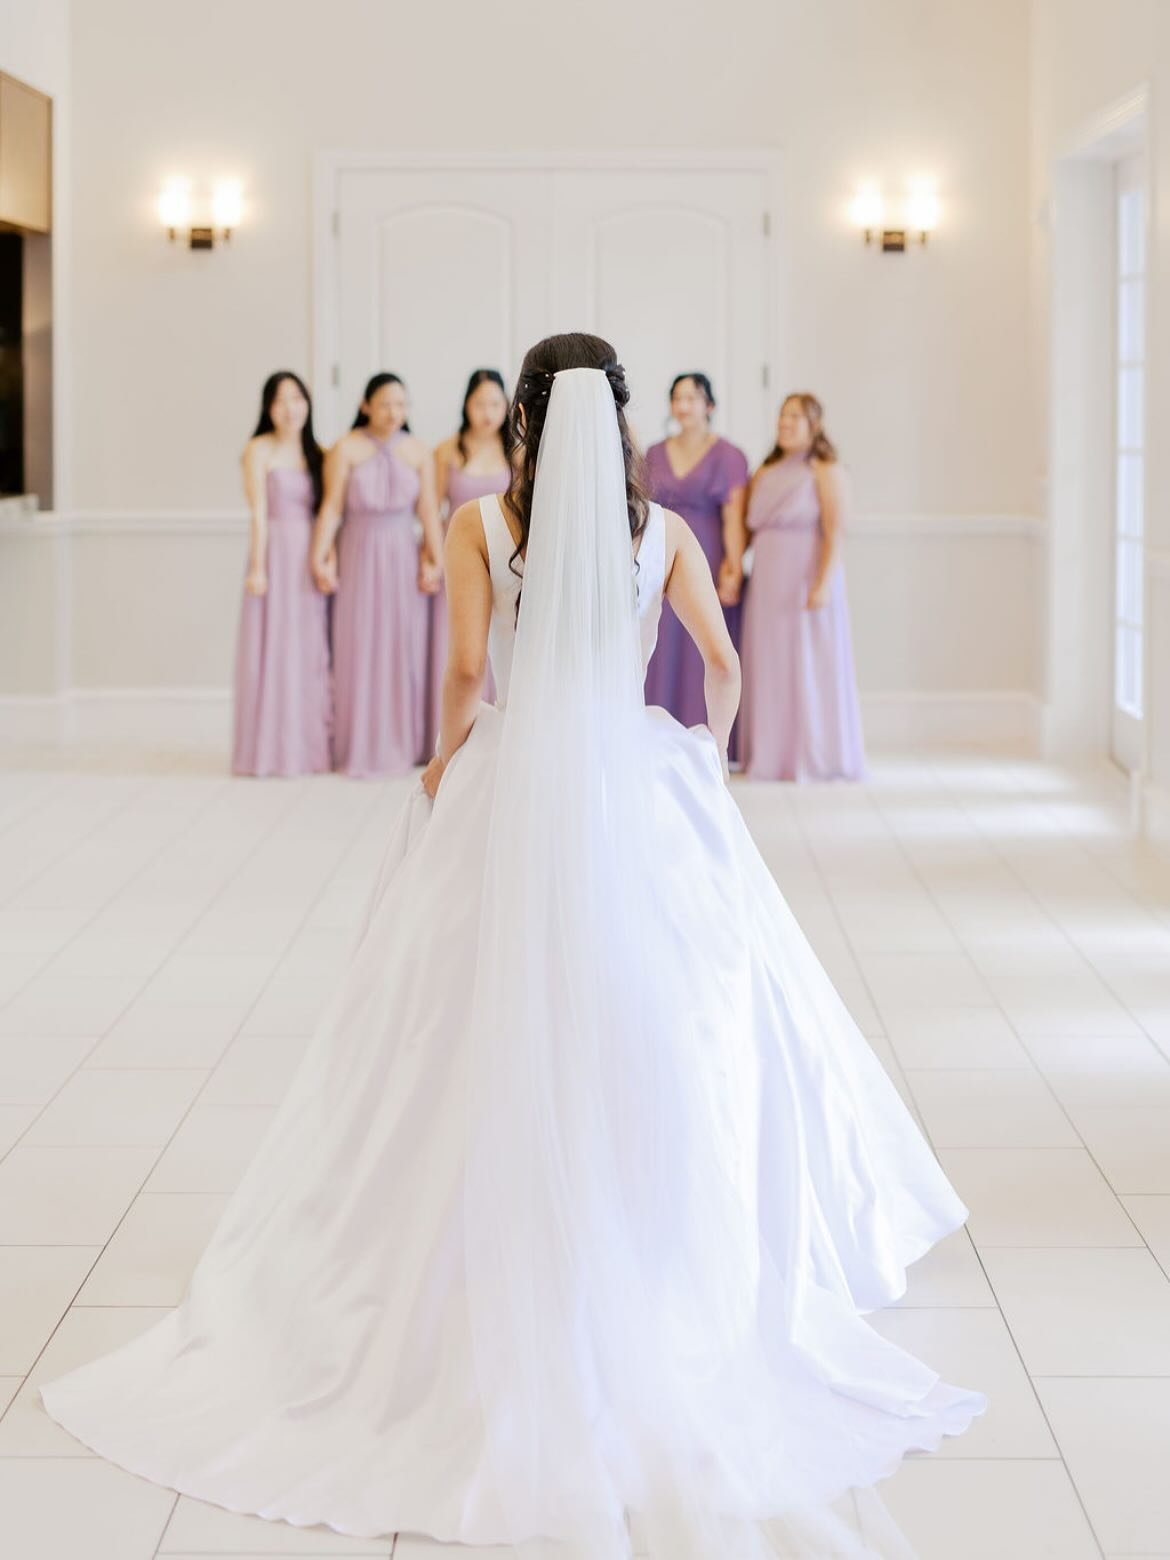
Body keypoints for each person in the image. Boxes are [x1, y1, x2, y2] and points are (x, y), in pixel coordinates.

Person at [40, 334, 982, 1560]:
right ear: (626, 421)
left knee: (446, 1019)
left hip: (515, 778)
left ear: (528, 420)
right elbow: (725, 665)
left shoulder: (484, 524)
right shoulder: (671, 538)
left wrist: (443, 766)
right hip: (639, 787)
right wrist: (704, 754)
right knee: (678, 1016)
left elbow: (474, 671)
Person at [311, 372, 443, 777]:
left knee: (403, 645)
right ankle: (358, 746)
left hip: (401, 554)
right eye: (385, 403)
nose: (393, 412)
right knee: (357, 645)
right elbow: (332, 507)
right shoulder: (345, 449)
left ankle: (404, 743)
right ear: (366, 404)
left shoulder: (419, 452)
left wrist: (434, 559)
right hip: (358, 553)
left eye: (401, 404)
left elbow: (428, 514)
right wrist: (320, 555)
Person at [739, 393, 867, 781]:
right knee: (770, 663)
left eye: (795, 416)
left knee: (809, 663)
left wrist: (823, 583)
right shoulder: (764, 472)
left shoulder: (825, 471)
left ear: (814, 424)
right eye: (782, 415)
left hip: (806, 578)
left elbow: (835, 532)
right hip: (767, 582)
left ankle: (815, 754)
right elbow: (746, 529)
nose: (785, 423)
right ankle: (771, 754)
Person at [231, 371, 331, 777]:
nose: (290, 408)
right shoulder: (258, 449)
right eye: (280, 400)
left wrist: (327, 560)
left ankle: (306, 748)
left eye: (297, 398)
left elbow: (328, 514)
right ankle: (270, 750)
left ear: (307, 404)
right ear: (268, 408)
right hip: (274, 553)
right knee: (272, 648)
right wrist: (258, 567)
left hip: (309, 554)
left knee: (308, 650)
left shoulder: (318, 453)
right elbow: (257, 512)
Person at [642, 374, 750, 750]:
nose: (684, 405)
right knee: (662, 640)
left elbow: (734, 517)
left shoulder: (730, 456)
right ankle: (661, 733)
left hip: (707, 551)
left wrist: (733, 565)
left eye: (692, 397)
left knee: (708, 644)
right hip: (661, 555)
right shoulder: (653, 454)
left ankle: (713, 739)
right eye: (678, 397)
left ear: (710, 406)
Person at [425, 368, 511, 753]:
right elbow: (430, 507)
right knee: (456, 646)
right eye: (479, 404)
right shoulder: (448, 450)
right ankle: (447, 733)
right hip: (457, 558)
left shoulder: (517, 450)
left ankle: (490, 733)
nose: (488, 412)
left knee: (496, 642)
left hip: (503, 557)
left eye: (495, 403)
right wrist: (431, 555)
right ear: (466, 406)